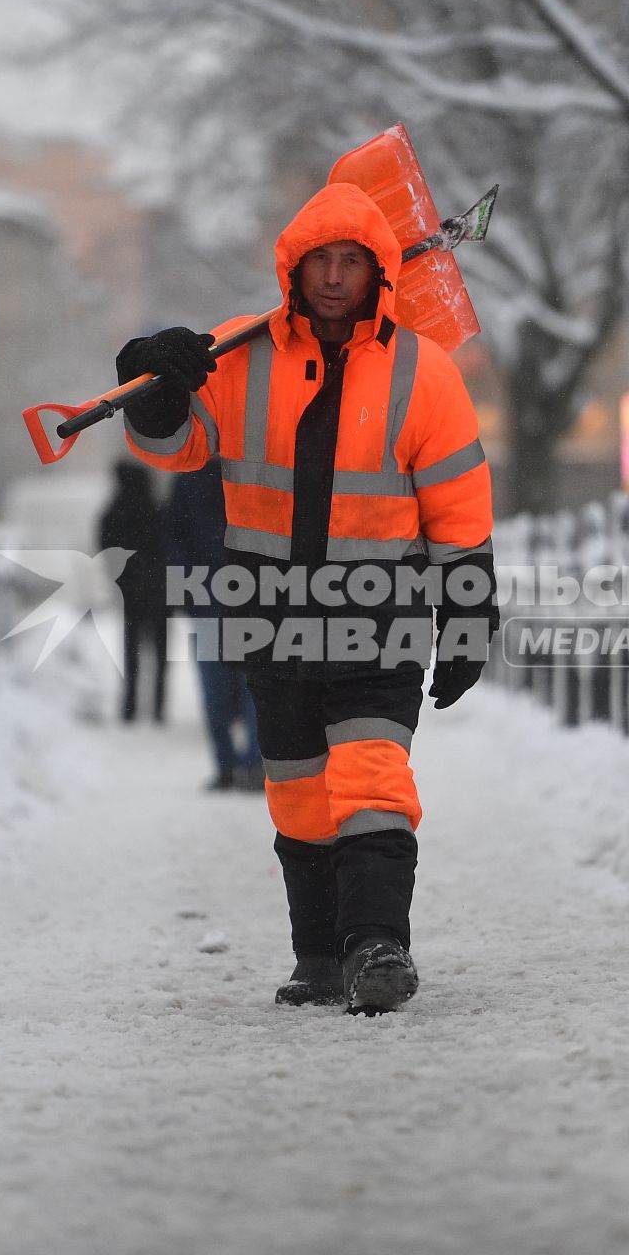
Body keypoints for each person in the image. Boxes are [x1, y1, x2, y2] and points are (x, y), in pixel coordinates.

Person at [114, 182, 497, 1015]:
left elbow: (458, 503)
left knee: (371, 781)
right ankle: (319, 955)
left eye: (350, 261)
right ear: (293, 265)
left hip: (381, 620)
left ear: (377, 269)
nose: (332, 277)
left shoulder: (422, 372)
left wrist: (466, 610)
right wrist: (153, 382)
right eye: (319, 260)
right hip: (272, 619)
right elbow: (175, 447)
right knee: (297, 795)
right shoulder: (238, 356)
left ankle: (377, 946)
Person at [165, 460, 263, 791]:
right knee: (254, 685)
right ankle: (252, 764)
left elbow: (173, 539)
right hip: (252, 593)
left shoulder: (188, 479)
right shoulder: (253, 472)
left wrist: (186, 590)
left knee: (216, 686)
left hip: (207, 592)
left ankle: (227, 765)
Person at [96, 459, 168, 724]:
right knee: (161, 652)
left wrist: (121, 577)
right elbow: (167, 546)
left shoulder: (115, 511)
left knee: (132, 651)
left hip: (131, 593)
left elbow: (106, 549)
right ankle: (159, 707)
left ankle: (130, 706)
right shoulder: (157, 509)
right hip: (160, 591)